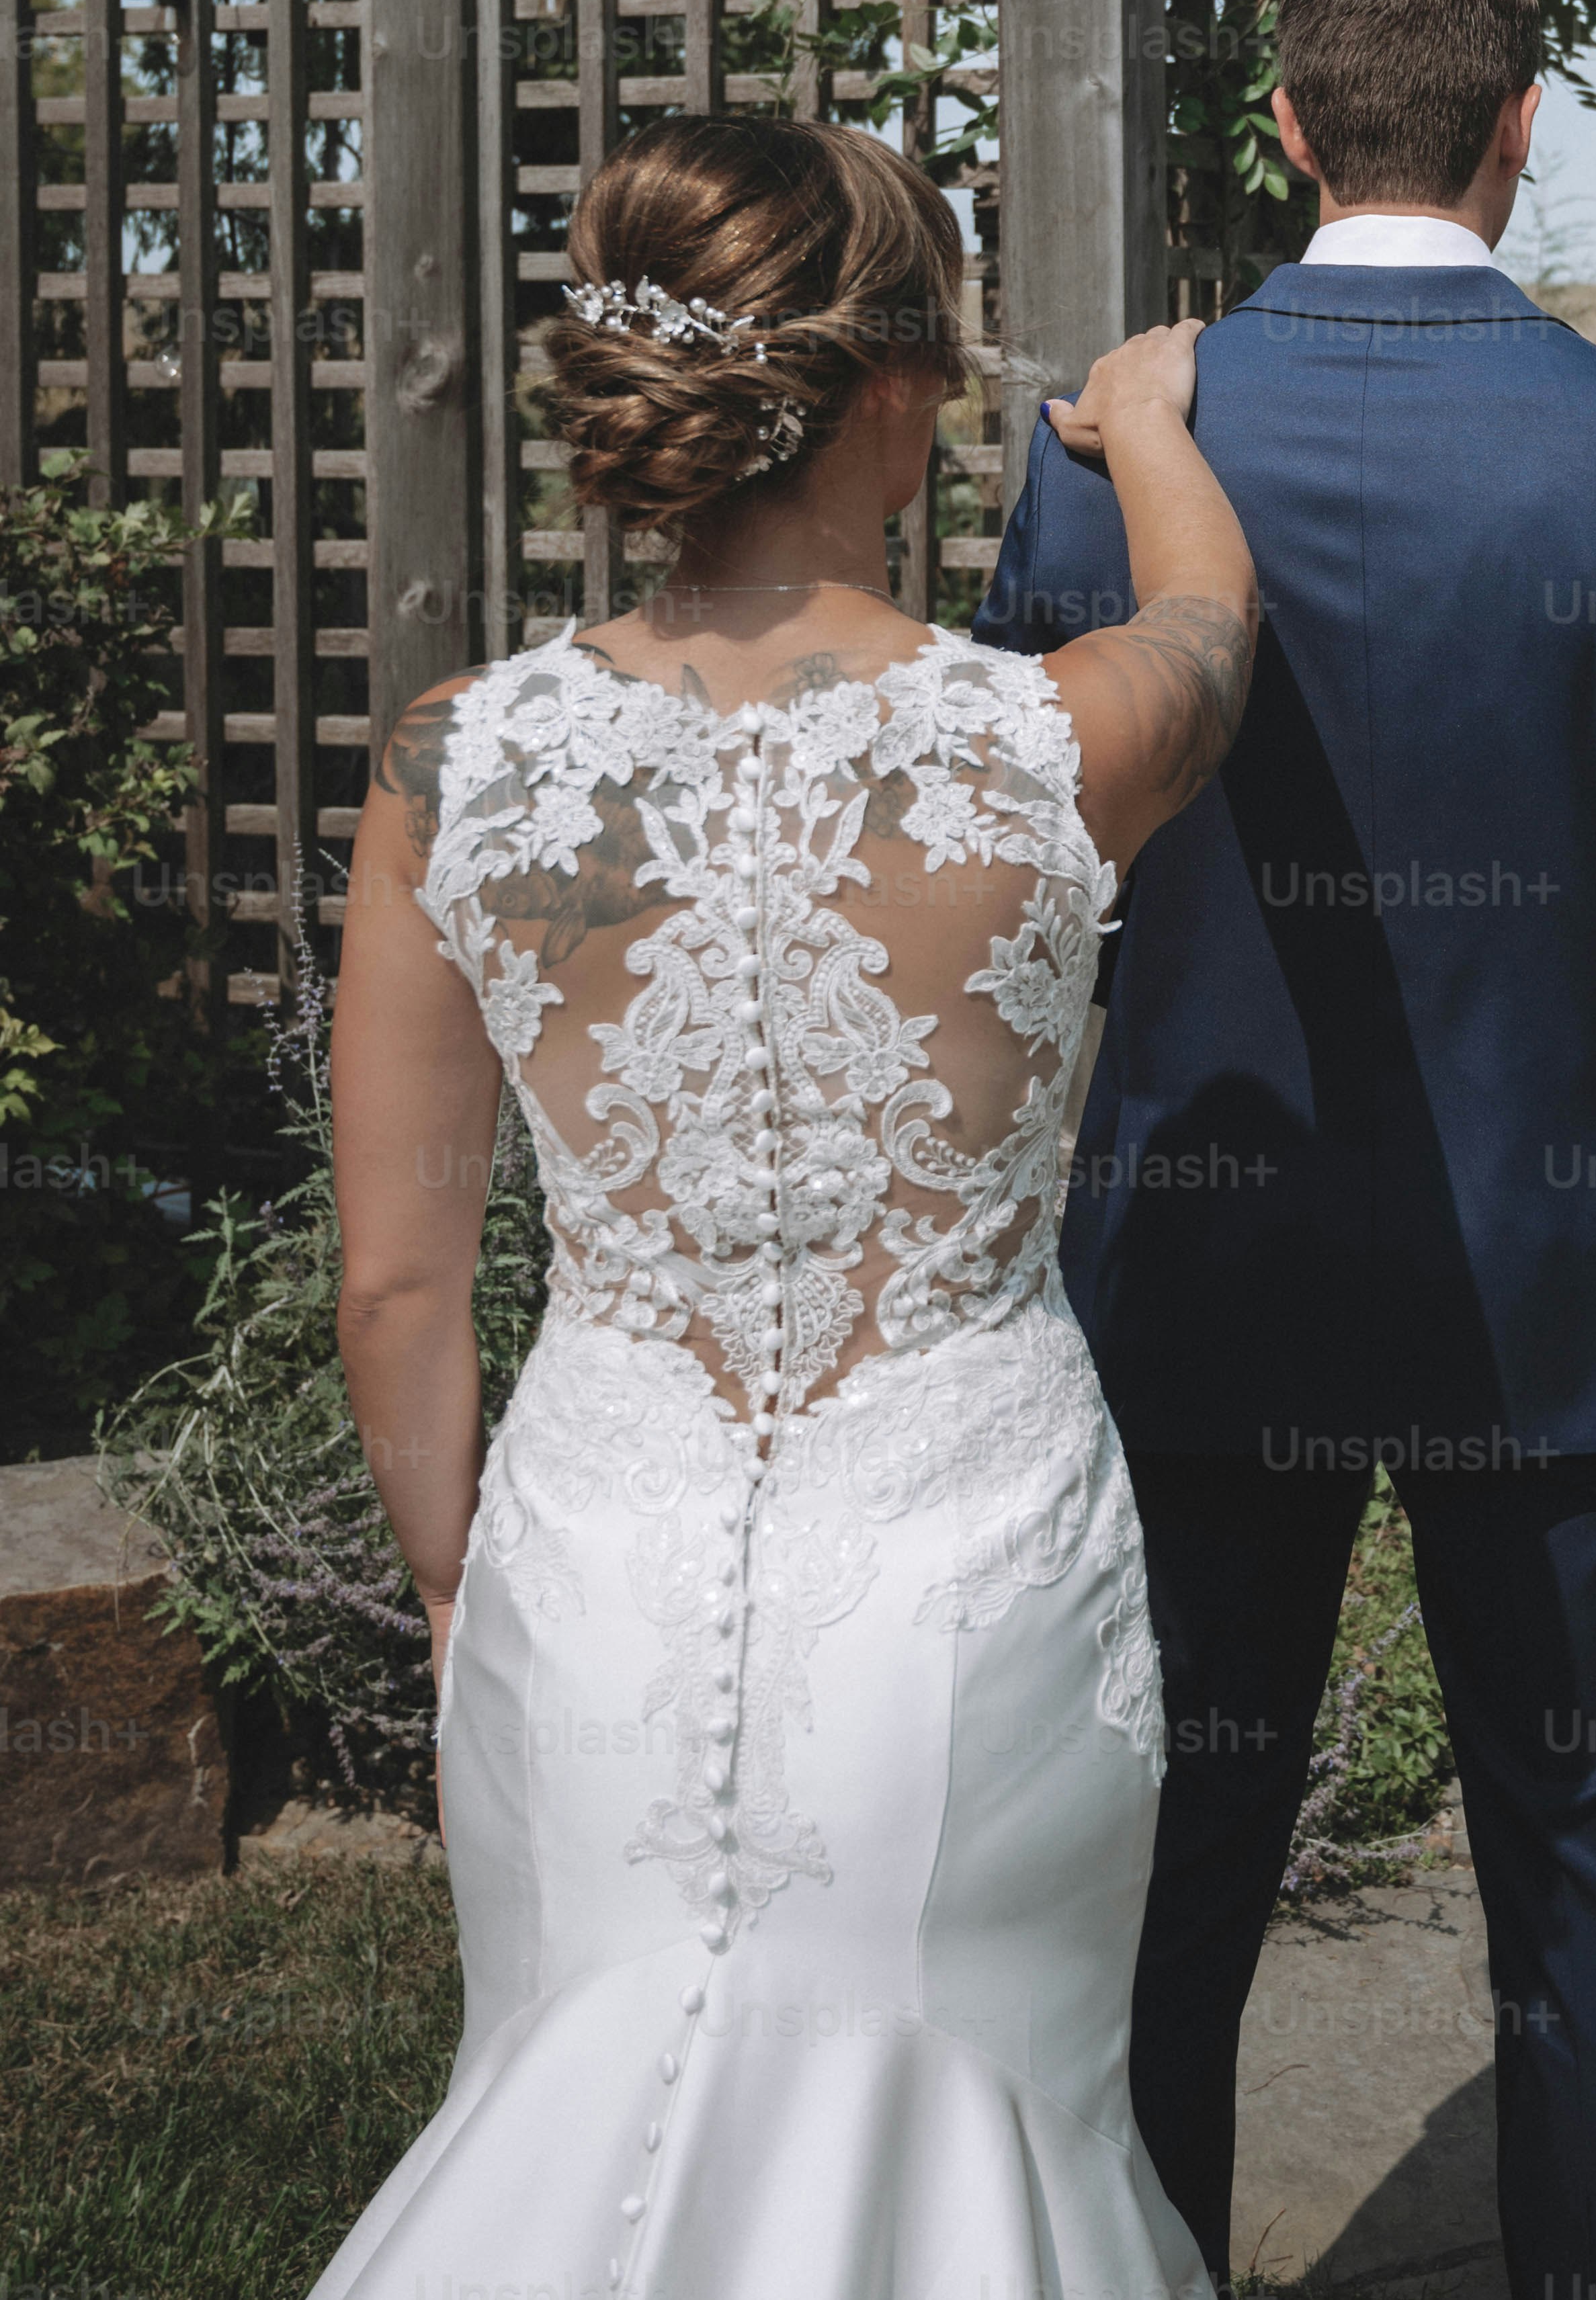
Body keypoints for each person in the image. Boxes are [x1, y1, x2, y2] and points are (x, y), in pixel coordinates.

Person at [978, 0, 1596, 2300]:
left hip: (1201, 1264)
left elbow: (1013, 869)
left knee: (1164, 1869)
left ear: (1285, 129)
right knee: (1591, 1866)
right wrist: (1579, 960)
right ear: (1521, 123)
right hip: (1558, 1284)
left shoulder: (1100, 461)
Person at [313, 112, 1257, 2300]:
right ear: (901, 388)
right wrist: (1143, 422)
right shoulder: (1052, 739)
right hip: (968, 1586)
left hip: (595, 1565)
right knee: (978, 2146)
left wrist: (461, 1586)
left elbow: (395, 1277)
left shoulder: (454, 760)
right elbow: (1216, 621)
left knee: (568, 2106)